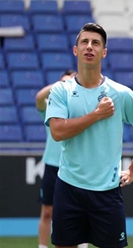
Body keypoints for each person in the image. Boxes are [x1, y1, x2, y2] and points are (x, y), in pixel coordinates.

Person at [45, 23, 133, 248]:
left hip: (107, 191)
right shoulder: (61, 90)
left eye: (96, 43)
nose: (89, 47)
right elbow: (57, 132)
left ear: (103, 52)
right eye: (84, 42)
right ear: (75, 50)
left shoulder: (121, 93)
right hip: (68, 187)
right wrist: (96, 114)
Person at [36, 70, 89, 248]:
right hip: (53, 165)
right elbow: (38, 98)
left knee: (80, 212)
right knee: (47, 212)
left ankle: (82, 244)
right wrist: (60, 84)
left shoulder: (78, 108)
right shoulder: (52, 109)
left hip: (75, 166)